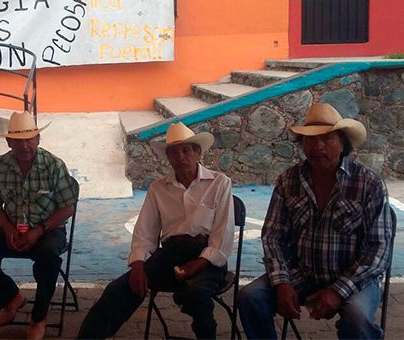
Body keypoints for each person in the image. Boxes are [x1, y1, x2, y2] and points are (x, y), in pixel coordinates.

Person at [237, 103, 392, 339]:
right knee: (249, 297)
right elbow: (273, 236)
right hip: (302, 273)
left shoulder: (369, 184)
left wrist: (338, 291)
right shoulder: (288, 181)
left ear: (343, 144)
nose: (317, 147)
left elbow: (378, 250)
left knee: (357, 320)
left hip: (354, 278)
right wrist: (281, 282)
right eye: (310, 139)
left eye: (327, 138)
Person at [78, 122, 234, 339]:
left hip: (207, 258)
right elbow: (145, 231)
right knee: (119, 290)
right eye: (173, 153)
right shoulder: (158, 188)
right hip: (170, 256)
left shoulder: (219, 183)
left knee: (195, 294)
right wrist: (138, 264)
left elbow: (223, 234)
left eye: (186, 151)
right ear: (168, 158)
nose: (180, 157)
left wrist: (200, 263)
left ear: (198, 153)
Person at [0, 111, 79, 340]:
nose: (24, 145)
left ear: (38, 139)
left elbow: (68, 208)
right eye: (18, 140)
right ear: (8, 142)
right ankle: (11, 298)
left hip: (48, 230)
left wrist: (39, 231)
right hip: (12, 229)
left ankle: (38, 318)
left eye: (29, 139)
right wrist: (7, 229)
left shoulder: (54, 165)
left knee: (48, 257)